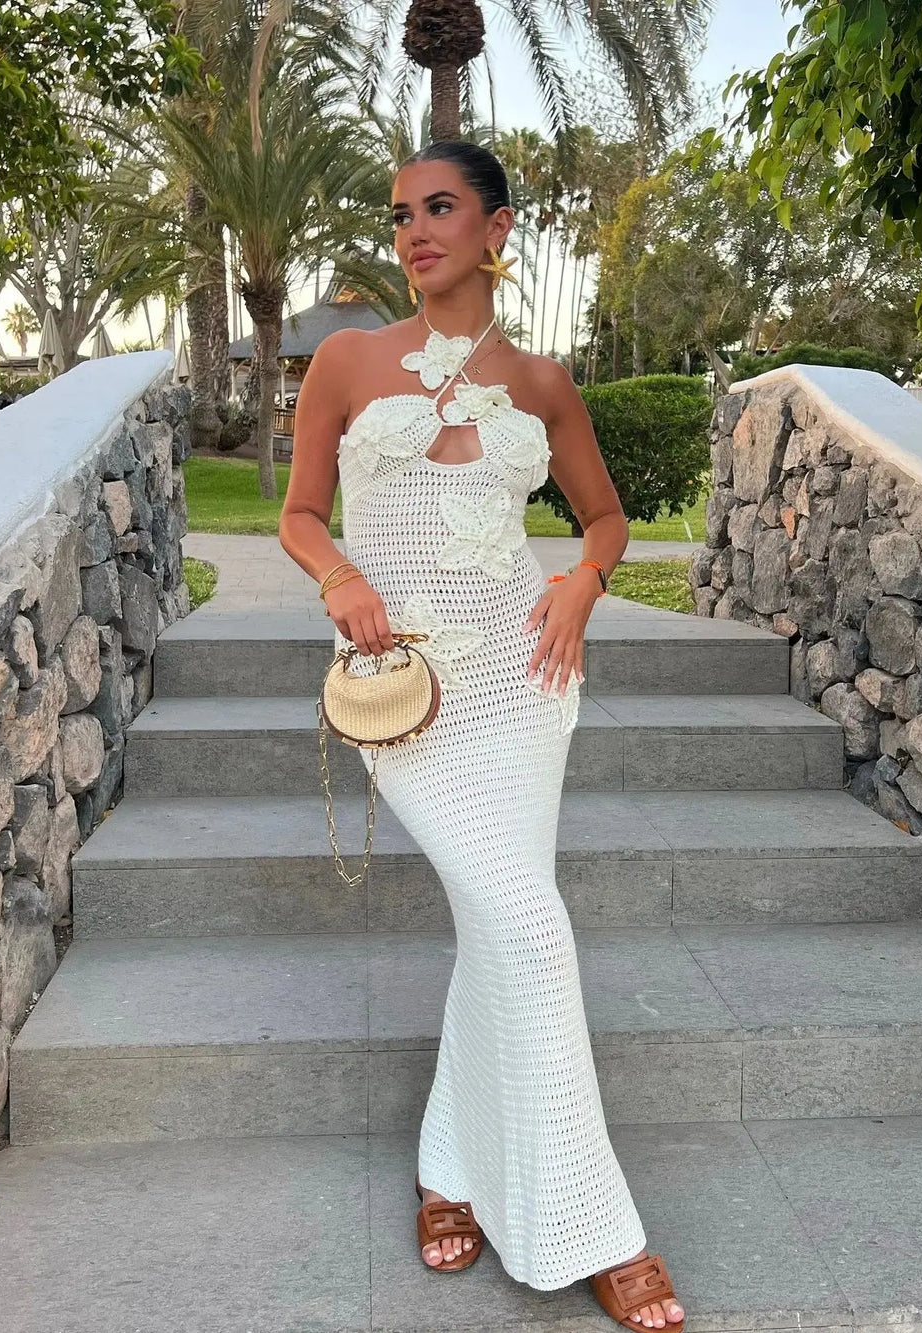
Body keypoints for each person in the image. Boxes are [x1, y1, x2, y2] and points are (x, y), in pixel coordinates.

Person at [278, 140, 685, 1333]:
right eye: (401, 213)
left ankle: (449, 1170)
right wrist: (339, 575)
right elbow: (299, 512)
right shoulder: (347, 361)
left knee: (502, 924)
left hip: (524, 680)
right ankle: (603, 1234)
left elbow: (604, 519)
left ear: (497, 228)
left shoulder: (543, 382)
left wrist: (582, 586)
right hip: (405, 690)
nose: (414, 231)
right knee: (528, 925)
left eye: (440, 207)